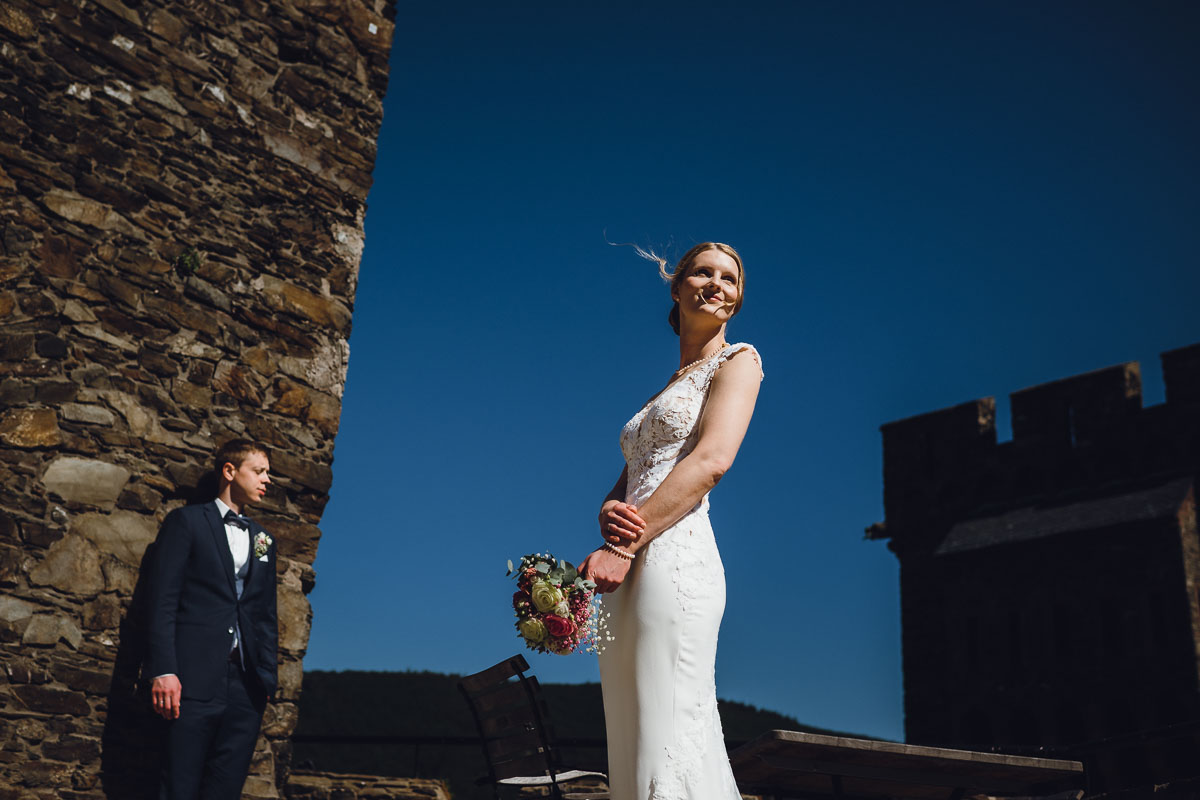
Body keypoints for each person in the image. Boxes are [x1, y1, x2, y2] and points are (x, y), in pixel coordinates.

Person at [580, 242, 763, 800]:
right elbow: (635, 474)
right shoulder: (667, 387)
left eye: (728, 278)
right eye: (702, 273)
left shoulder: (739, 361)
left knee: (669, 725)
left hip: (672, 559)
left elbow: (711, 462)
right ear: (677, 286)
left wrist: (626, 545)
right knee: (632, 735)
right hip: (631, 560)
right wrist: (609, 509)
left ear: (736, 298)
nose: (716, 284)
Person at [146, 438, 279, 800]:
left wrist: (267, 677)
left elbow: (265, 612)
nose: (267, 480)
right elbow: (162, 601)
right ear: (230, 471)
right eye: (259, 471)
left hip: (246, 686)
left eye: (268, 473)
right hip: (191, 678)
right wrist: (164, 669)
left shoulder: (264, 540)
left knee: (226, 788)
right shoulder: (187, 522)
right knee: (179, 785)